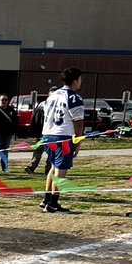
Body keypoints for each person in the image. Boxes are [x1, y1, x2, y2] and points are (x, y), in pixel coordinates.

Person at [40, 68, 85, 213]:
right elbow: (78, 122)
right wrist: (77, 142)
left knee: (54, 167)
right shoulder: (73, 97)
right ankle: (53, 204)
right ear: (74, 81)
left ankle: (46, 199)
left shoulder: (52, 96)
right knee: (61, 170)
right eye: (80, 79)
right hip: (63, 136)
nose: (81, 82)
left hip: (48, 135)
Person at [24, 93, 50, 175]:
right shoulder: (42, 105)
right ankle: (31, 167)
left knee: (51, 152)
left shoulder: (58, 105)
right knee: (38, 150)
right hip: (43, 133)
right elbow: (35, 119)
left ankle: (48, 169)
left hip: (53, 133)